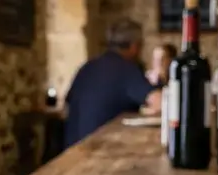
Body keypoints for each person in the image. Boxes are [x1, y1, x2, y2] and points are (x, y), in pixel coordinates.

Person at [64, 19, 162, 147]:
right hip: (100, 152)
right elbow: (161, 102)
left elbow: (66, 106)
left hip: (73, 151)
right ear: (134, 46)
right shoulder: (126, 69)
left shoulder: (87, 67)